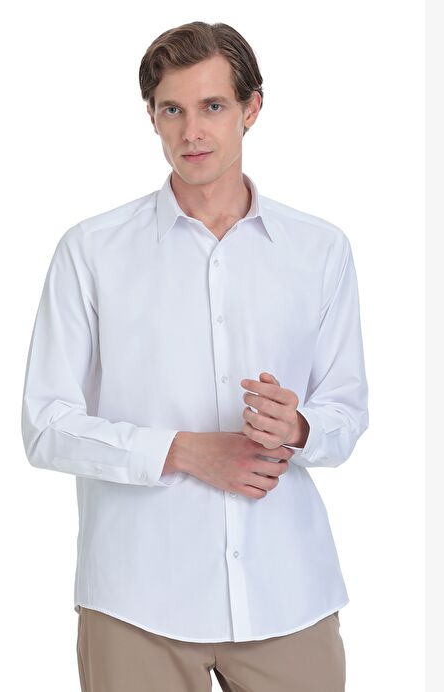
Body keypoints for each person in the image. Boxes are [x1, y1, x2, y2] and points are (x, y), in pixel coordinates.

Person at [21, 20, 369, 692]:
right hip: (135, 599)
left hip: (286, 593)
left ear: (251, 108)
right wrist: (182, 452)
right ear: (151, 118)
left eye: (212, 106)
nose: (191, 132)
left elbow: (346, 411)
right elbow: (45, 426)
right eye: (171, 110)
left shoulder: (321, 250)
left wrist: (299, 427)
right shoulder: (90, 251)